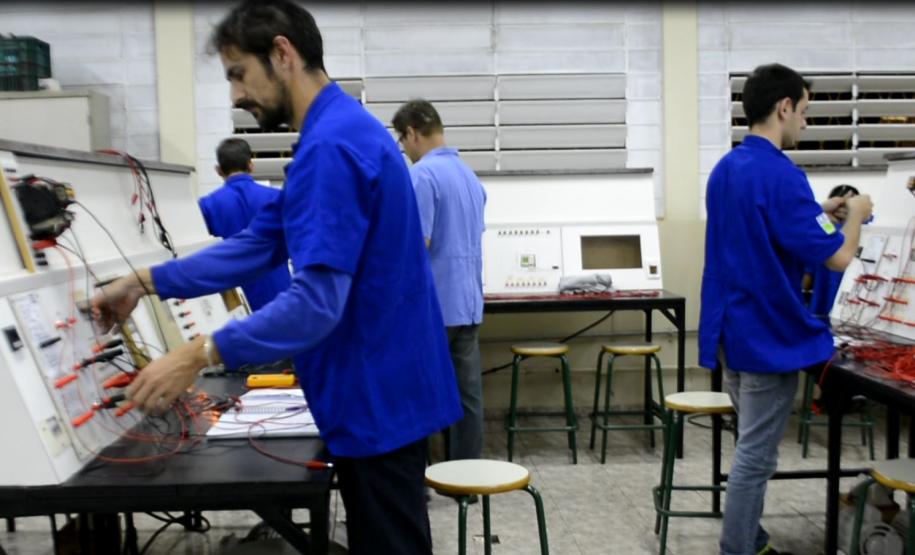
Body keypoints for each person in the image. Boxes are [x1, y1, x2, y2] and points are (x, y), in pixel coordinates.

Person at [90, 1, 462, 553]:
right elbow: (261, 243)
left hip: (376, 397)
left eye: (239, 74)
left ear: (282, 53)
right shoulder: (340, 130)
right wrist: (142, 282)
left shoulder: (331, 147)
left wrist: (196, 354)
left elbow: (316, 304)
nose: (236, 95)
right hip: (387, 388)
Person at [698, 63, 873, 555]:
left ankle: (751, 538)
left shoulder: (727, 168)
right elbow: (839, 256)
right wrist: (855, 214)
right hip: (767, 337)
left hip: (731, 331)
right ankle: (739, 548)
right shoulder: (781, 175)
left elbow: (766, 229)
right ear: (784, 107)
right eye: (805, 112)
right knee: (756, 456)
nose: (805, 124)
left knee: (750, 447)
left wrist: (822, 212)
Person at [392, 100, 487, 463]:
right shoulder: (469, 176)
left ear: (412, 133)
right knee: (468, 396)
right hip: (468, 304)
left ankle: (420, 480)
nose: (405, 150)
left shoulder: (422, 176)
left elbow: (418, 245)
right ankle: (466, 477)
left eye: (403, 142)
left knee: (418, 394)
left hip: (432, 307)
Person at [198, 138, 291, 312]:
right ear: (251, 165)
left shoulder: (207, 205)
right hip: (280, 295)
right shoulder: (278, 197)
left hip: (239, 302)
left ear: (218, 170)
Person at [803, 184, 860, 323]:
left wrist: (821, 213)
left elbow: (805, 282)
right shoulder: (830, 229)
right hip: (843, 312)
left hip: (827, 310)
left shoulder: (826, 229)